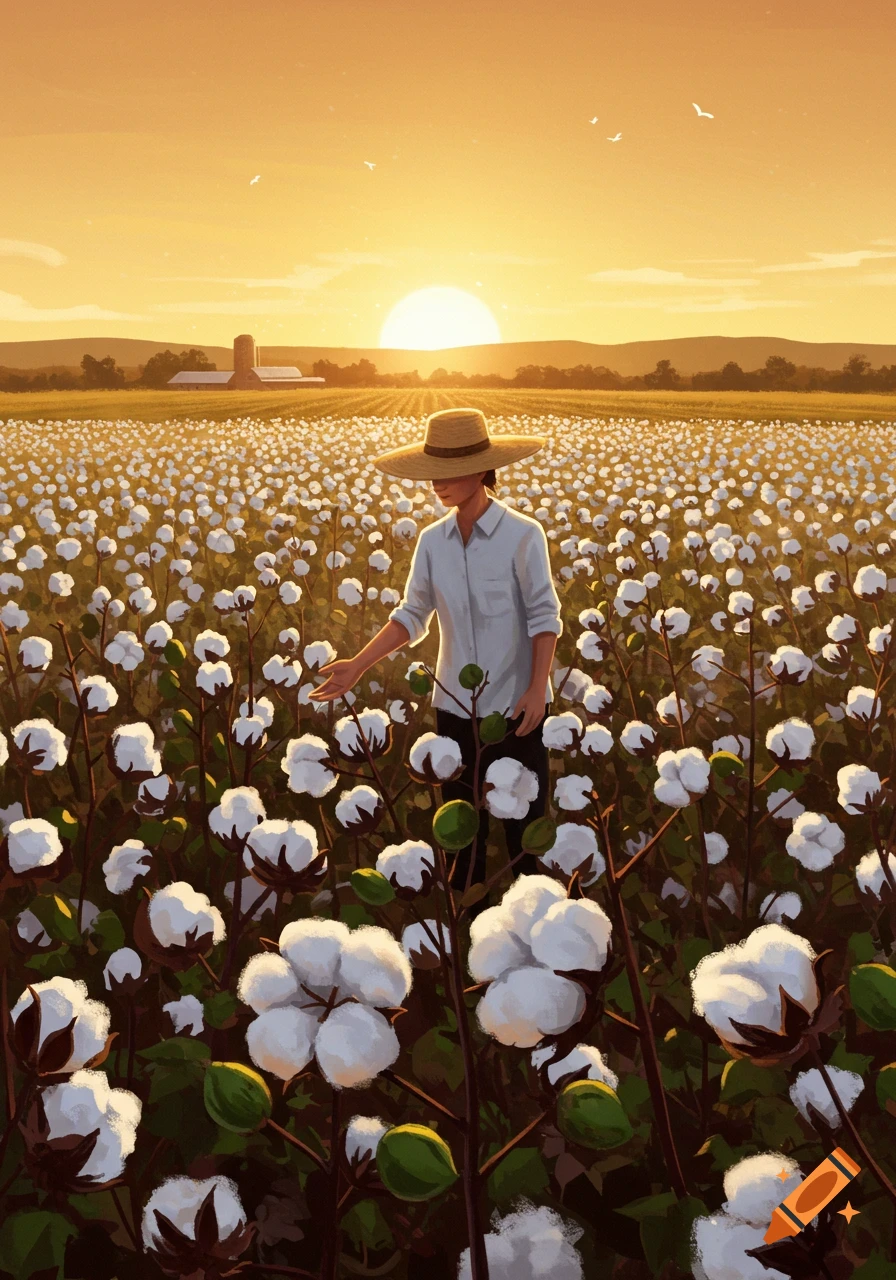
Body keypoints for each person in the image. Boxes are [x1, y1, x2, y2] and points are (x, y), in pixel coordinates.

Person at [311, 406, 563, 900]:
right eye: (432, 475)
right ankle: (468, 942)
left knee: (525, 836)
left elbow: (544, 617)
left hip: (517, 708)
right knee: (460, 837)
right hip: (453, 712)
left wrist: (538, 688)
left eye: (448, 473)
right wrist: (356, 666)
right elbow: (412, 616)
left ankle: (534, 941)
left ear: (484, 471)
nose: (437, 485)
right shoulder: (432, 542)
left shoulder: (523, 535)